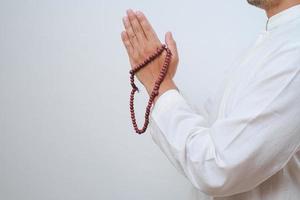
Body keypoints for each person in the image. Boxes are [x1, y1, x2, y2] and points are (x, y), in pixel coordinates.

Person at [121, 1, 300, 199]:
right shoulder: (277, 39)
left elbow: (218, 168)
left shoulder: (294, 50)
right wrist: (163, 83)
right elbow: (214, 137)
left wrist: (159, 84)